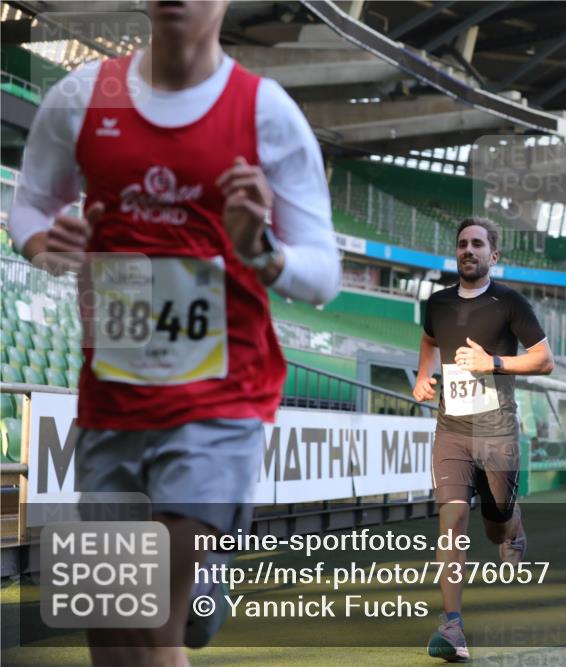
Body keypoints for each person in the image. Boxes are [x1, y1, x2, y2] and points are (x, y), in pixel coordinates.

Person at [9, 2, 340, 663]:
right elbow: (29, 204)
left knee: (153, 612)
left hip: (221, 403)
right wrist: (45, 244)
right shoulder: (80, 97)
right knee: (111, 630)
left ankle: (193, 578)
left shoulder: (264, 112)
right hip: (112, 404)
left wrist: (264, 250)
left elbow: (323, 271)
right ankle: (204, 586)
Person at [413, 217, 554, 662]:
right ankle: (451, 628)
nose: (468, 250)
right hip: (451, 430)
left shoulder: (509, 302)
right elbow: (428, 339)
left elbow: (544, 360)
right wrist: (422, 375)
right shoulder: (435, 303)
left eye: (477, 244)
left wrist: (490, 362)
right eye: (462, 244)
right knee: (451, 522)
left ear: (494, 256)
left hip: (497, 431)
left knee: (496, 522)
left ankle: (513, 524)